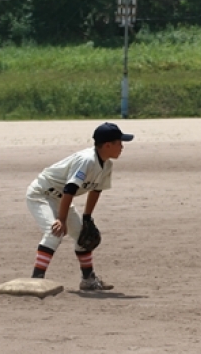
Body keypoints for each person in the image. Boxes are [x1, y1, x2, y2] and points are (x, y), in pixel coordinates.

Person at [25, 122, 134, 290]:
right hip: (42, 194)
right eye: (119, 142)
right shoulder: (86, 160)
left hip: (62, 199)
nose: (122, 147)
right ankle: (36, 280)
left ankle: (88, 280)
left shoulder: (107, 165)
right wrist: (61, 219)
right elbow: (69, 189)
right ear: (107, 145)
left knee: (83, 235)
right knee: (55, 231)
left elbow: (96, 191)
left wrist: (87, 217)